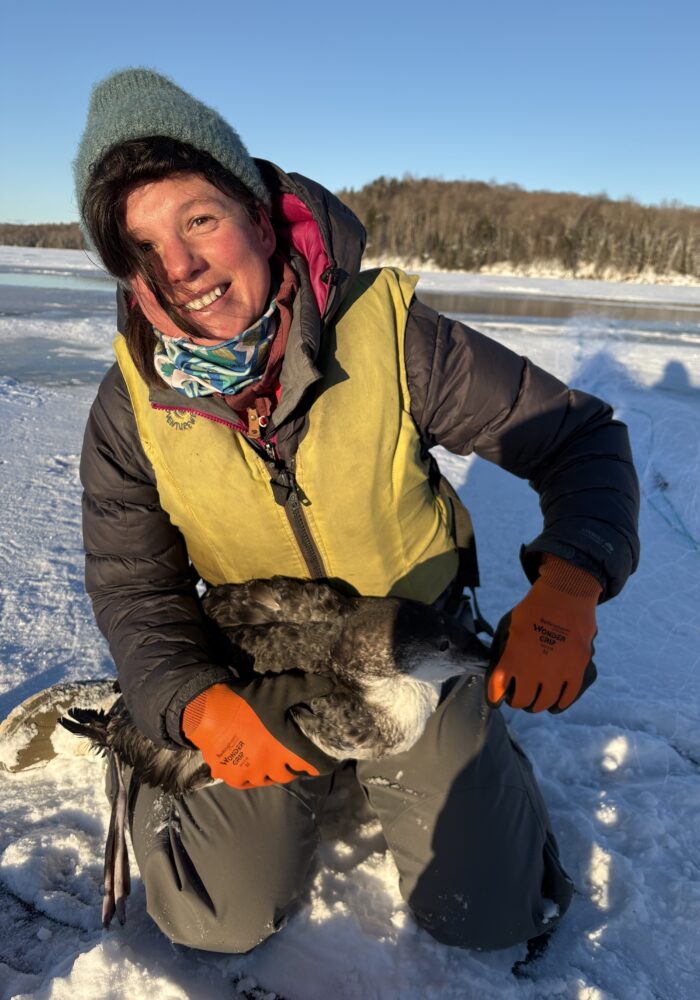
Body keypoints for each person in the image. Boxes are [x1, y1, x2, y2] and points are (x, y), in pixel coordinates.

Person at [73, 68, 639, 955]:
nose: (180, 268)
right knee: (216, 917)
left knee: (486, 914)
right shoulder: (129, 405)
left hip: (408, 645)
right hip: (249, 656)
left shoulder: (392, 337)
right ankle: (156, 761)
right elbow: (131, 584)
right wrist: (189, 705)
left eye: (199, 221)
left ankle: (469, 754)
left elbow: (580, 440)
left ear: (259, 217)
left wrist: (571, 585)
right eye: (142, 248)